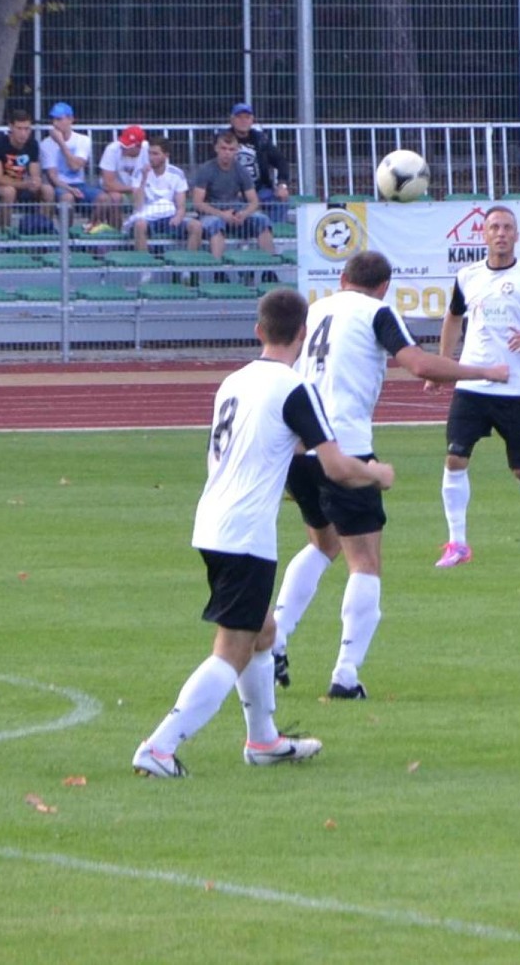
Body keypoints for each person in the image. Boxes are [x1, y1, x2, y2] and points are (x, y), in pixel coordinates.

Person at [132, 288, 394, 778]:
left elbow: (272, 444)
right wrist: (377, 474)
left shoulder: (234, 381)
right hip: (246, 533)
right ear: (303, 334)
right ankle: (159, 746)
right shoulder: (295, 388)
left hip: (211, 521)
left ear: (258, 331)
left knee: (265, 633)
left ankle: (264, 740)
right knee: (231, 649)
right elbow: (335, 466)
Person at [271, 249, 510, 698]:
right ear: (384, 286)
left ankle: (277, 639)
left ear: (342, 278)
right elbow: (418, 364)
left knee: (322, 544)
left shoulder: (316, 308)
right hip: (345, 447)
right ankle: (345, 674)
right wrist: (483, 372)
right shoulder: (377, 311)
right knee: (365, 562)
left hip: (297, 446)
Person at [426, 205, 520, 570]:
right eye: (494, 227)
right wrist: (444, 366)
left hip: (516, 389)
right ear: (483, 234)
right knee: (455, 458)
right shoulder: (467, 276)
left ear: (517, 235)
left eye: (507, 227)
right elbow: (453, 317)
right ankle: (457, 543)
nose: (501, 233)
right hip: (472, 385)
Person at [187, 130, 276, 260]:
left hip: (236, 214)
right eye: (223, 148)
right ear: (216, 148)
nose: (227, 153)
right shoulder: (206, 169)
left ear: (236, 150)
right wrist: (222, 214)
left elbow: (254, 201)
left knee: (262, 221)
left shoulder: (241, 170)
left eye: (231, 149)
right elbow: (198, 202)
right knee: (216, 224)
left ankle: (269, 269)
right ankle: (218, 271)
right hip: (211, 214)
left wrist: (243, 214)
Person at [0, 109, 55, 230]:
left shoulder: (32, 144)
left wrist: (35, 182)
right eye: (19, 128)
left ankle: (44, 229)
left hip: (21, 186)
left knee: (47, 190)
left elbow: (34, 173)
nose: (23, 133)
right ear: (11, 127)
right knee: (9, 191)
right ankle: (4, 232)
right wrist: (25, 184)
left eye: (27, 129)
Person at [39, 102, 109, 226]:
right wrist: (69, 189)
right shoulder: (46, 143)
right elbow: (53, 176)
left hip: (79, 184)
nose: (55, 124)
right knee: (67, 198)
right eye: (54, 120)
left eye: (59, 119)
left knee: (104, 198)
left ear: (71, 119)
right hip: (60, 186)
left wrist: (61, 144)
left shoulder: (83, 140)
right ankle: (66, 236)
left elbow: (75, 166)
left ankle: (89, 229)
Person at [229, 102, 291, 224]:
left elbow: (281, 161)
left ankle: (273, 232)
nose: (243, 121)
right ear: (232, 120)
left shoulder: (261, 139)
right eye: (239, 117)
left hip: (260, 188)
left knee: (280, 200)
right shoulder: (224, 139)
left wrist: (282, 185)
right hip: (234, 192)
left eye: (247, 117)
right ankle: (245, 237)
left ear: (252, 120)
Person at [124, 136, 189, 251]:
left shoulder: (177, 174)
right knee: (140, 225)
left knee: (195, 226)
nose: (151, 157)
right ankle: (144, 266)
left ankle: (190, 266)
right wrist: (144, 178)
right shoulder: (139, 173)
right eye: (149, 153)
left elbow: (181, 206)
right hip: (146, 217)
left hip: (169, 217)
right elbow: (138, 205)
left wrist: (178, 217)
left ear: (166, 155)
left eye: (155, 154)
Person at [98, 124, 149, 230]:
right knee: (115, 197)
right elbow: (108, 184)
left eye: (127, 146)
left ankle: (139, 231)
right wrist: (133, 189)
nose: (123, 148)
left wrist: (139, 189)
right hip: (120, 189)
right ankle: (116, 232)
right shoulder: (112, 149)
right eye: (123, 144)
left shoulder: (150, 151)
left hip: (144, 189)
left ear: (138, 146)